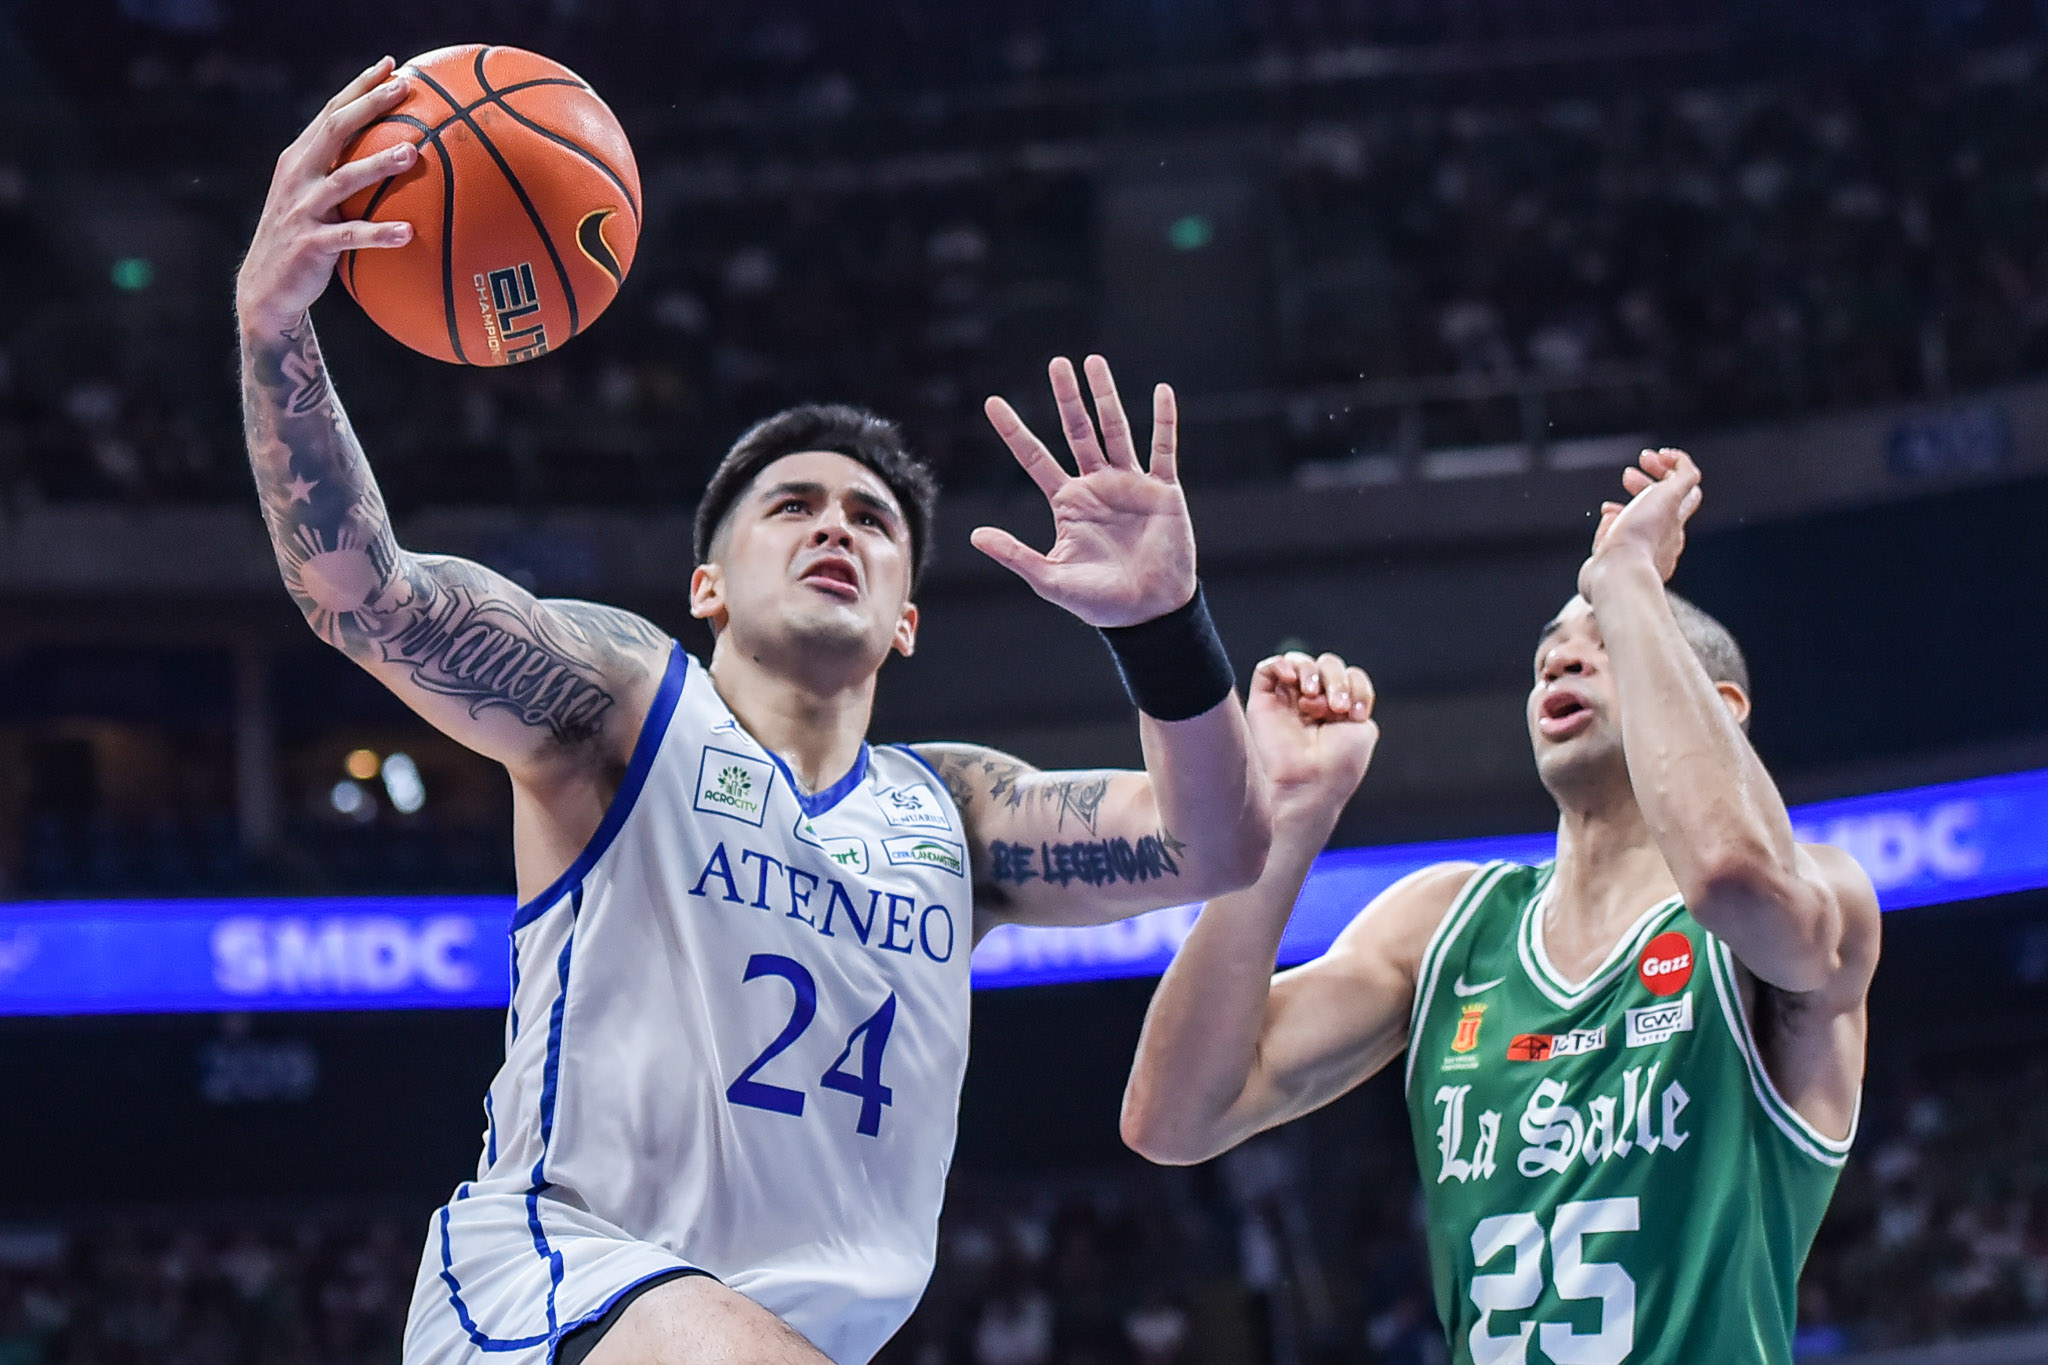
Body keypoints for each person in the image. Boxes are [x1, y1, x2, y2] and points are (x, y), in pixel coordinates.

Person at [236, 59, 1274, 1365]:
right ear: (707, 587)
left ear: (906, 617)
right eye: (792, 505)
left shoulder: (953, 811)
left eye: (873, 520)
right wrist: (273, 325)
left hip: (798, 1334)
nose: (836, 525)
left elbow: (1214, 845)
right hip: (562, 1290)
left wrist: (1164, 631)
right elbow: (366, 597)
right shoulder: (626, 707)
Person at [1121, 449, 1880, 1364]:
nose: (1562, 653)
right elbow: (1172, 1116)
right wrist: (1286, 818)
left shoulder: (1818, 897)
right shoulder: (1447, 925)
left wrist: (1627, 577)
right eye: (1550, 649)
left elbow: (1730, 873)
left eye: (1607, 640)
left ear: (1720, 708)